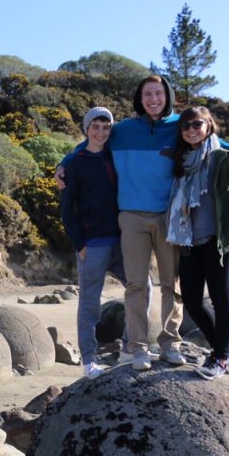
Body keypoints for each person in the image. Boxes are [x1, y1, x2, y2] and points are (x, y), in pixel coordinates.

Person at [56, 75, 229, 370]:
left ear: (168, 97)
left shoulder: (180, 127)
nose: (153, 99)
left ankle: (170, 344)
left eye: (159, 94)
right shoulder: (123, 130)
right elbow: (91, 143)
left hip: (171, 218)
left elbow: (220, 143)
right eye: (148, 94)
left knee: (170, 285)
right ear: (140, 98)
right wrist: (64, 163)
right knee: (136, 285)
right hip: (131, 217)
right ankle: (137, 348)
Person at [166, 107, 229, 380]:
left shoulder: (221, 155)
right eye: (185, 126)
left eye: (197, 124)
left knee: (221, 300)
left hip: (220, 241)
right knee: (193, 302)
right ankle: (224, 349)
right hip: (189, 240)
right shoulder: (181, 158)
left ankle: (219, 356)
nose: (191, 130)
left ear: (209, 125)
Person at [59, 107, 128, 380]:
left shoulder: (115, 156)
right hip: (93, 243)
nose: (101, 132)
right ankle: (89, 360)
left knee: (142, 288)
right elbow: (67, 209)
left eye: (106, 127)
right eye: (95, 127)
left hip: (122, 241)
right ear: (86, 129)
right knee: (89, 302)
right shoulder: (75, 163)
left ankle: (129, 349)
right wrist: (79, 244)